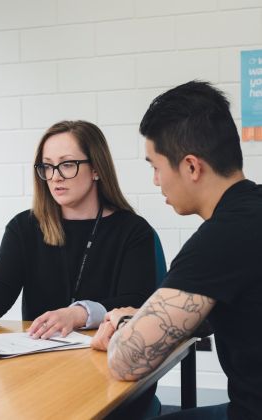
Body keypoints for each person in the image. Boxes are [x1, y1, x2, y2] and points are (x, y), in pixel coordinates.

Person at [91, 81, 262, 420]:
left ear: (191, 167)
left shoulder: (221, 239)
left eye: (156, 166)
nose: (156, 181)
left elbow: (126, 361)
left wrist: (125, 323)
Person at [0, 120, 157, 343]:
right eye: (48, 167)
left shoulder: (133, 231)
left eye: (68, 164)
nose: (55, 177)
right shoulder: (24, 227)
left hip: (107, 356)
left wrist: (77, 314)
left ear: (97, 170)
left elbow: (136, 302)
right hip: (40, 359)